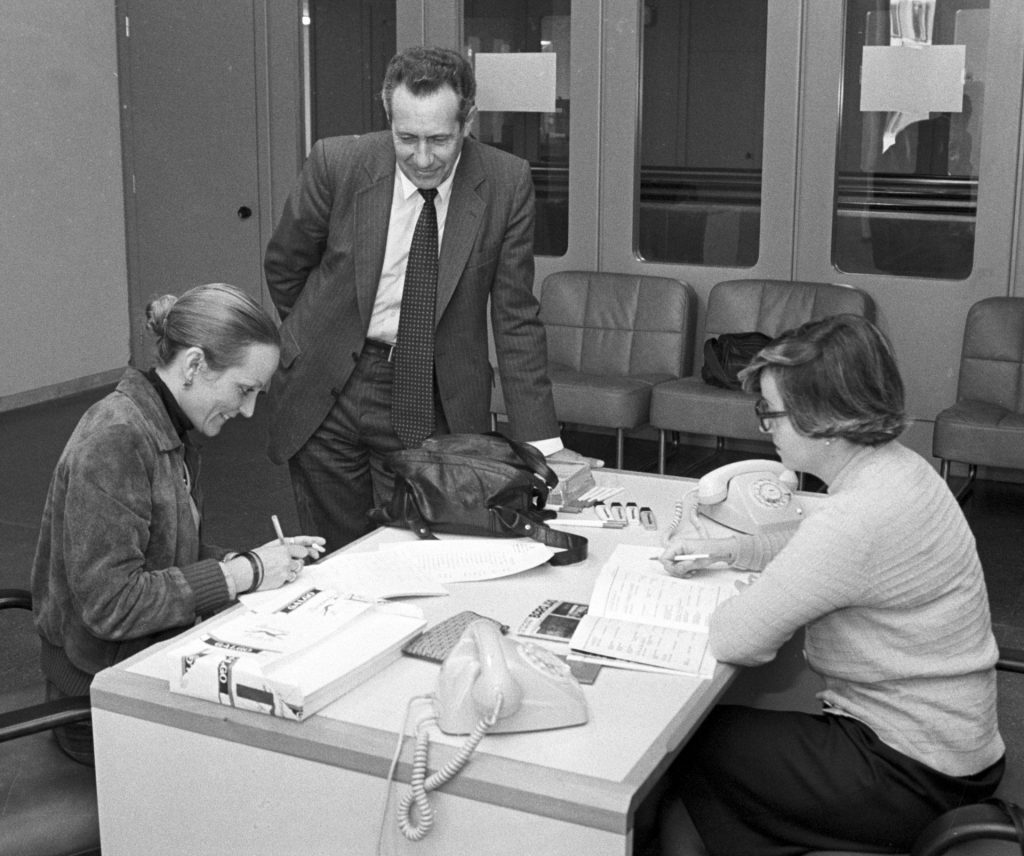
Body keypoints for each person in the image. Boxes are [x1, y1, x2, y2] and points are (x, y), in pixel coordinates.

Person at [655, 314, 1005, 854]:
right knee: (724, 778)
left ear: (822, 419)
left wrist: (744, 595)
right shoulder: (899, 469)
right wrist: (729, 551)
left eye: (769, 413)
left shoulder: (857, 517)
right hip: (955, 750)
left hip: (910, 772)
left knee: (683, 746)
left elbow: (735, 640)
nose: (764, 428)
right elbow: (814, 548)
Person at [264, 45, 595, 551]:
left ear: (468, 121)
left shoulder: (505, 182)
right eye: (407, 138)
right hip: (328, 391)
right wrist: (316, 340)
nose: (422, 158)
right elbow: (286, 265)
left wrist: (543, 443)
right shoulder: (339, 163)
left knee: (427, 551)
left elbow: (516, 319)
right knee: (336, 557)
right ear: (388, 118)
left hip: (432, 391)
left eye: (439, 139)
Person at [31, 283, 326, 765]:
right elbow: (112, 605)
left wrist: (246, 562)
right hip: (98, 702)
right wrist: (243, 574)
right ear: (194, 366)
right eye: (244, 389)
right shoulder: (117, 439)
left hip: (139, 668)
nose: (249, 410)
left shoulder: (164, 428)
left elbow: (164, 555)